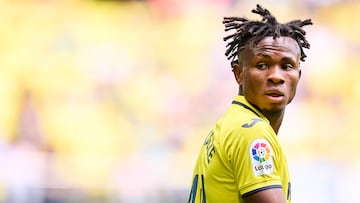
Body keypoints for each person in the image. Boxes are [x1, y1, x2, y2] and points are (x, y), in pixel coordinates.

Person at [188, 4, 312, 203]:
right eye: (262, 65)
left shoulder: (230, 125)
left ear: (298, 75)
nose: (276, 76)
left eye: (287, 66)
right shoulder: (251, 132)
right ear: (239, 74)